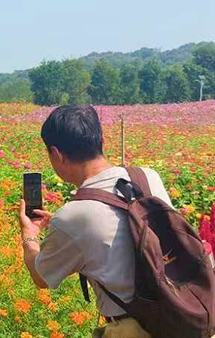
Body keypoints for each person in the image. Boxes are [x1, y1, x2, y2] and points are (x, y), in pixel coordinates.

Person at [18, 105, 174, 338]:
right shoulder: (147, 176)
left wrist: (29, 235)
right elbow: (127, 227)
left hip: (135, 329)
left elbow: (41, 277)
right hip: (182, 311)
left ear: (56, 154)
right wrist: (69, 229)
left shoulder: (73, 217)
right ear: (102, 140)